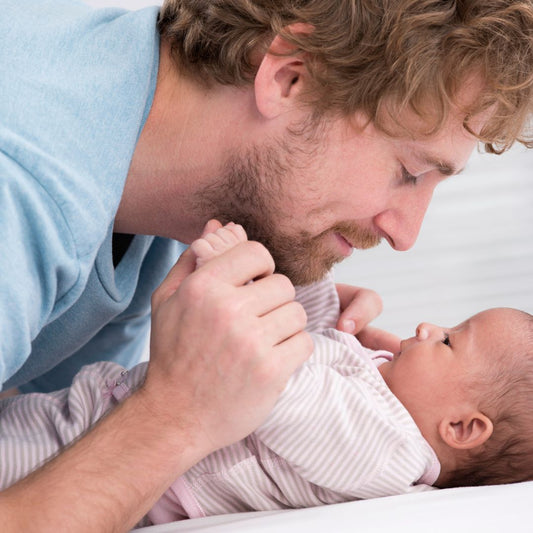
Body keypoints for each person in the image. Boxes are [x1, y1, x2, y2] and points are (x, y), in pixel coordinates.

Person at [1, 0, 532, 530]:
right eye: (409, 171)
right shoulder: (22, 191)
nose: (406, 235)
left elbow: (56, 423)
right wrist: (177, 411)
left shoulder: (167, 180)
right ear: (288, 78)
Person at [1, 223, 531, 528]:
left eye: (449, 339)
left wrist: (245, 278)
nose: (426, 325)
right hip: (94, 415)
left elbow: (275, 384)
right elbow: (310, 362)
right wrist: (322, 302)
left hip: (94, 452)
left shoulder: (390, 453)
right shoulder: (379, 393)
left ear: (462, 428)